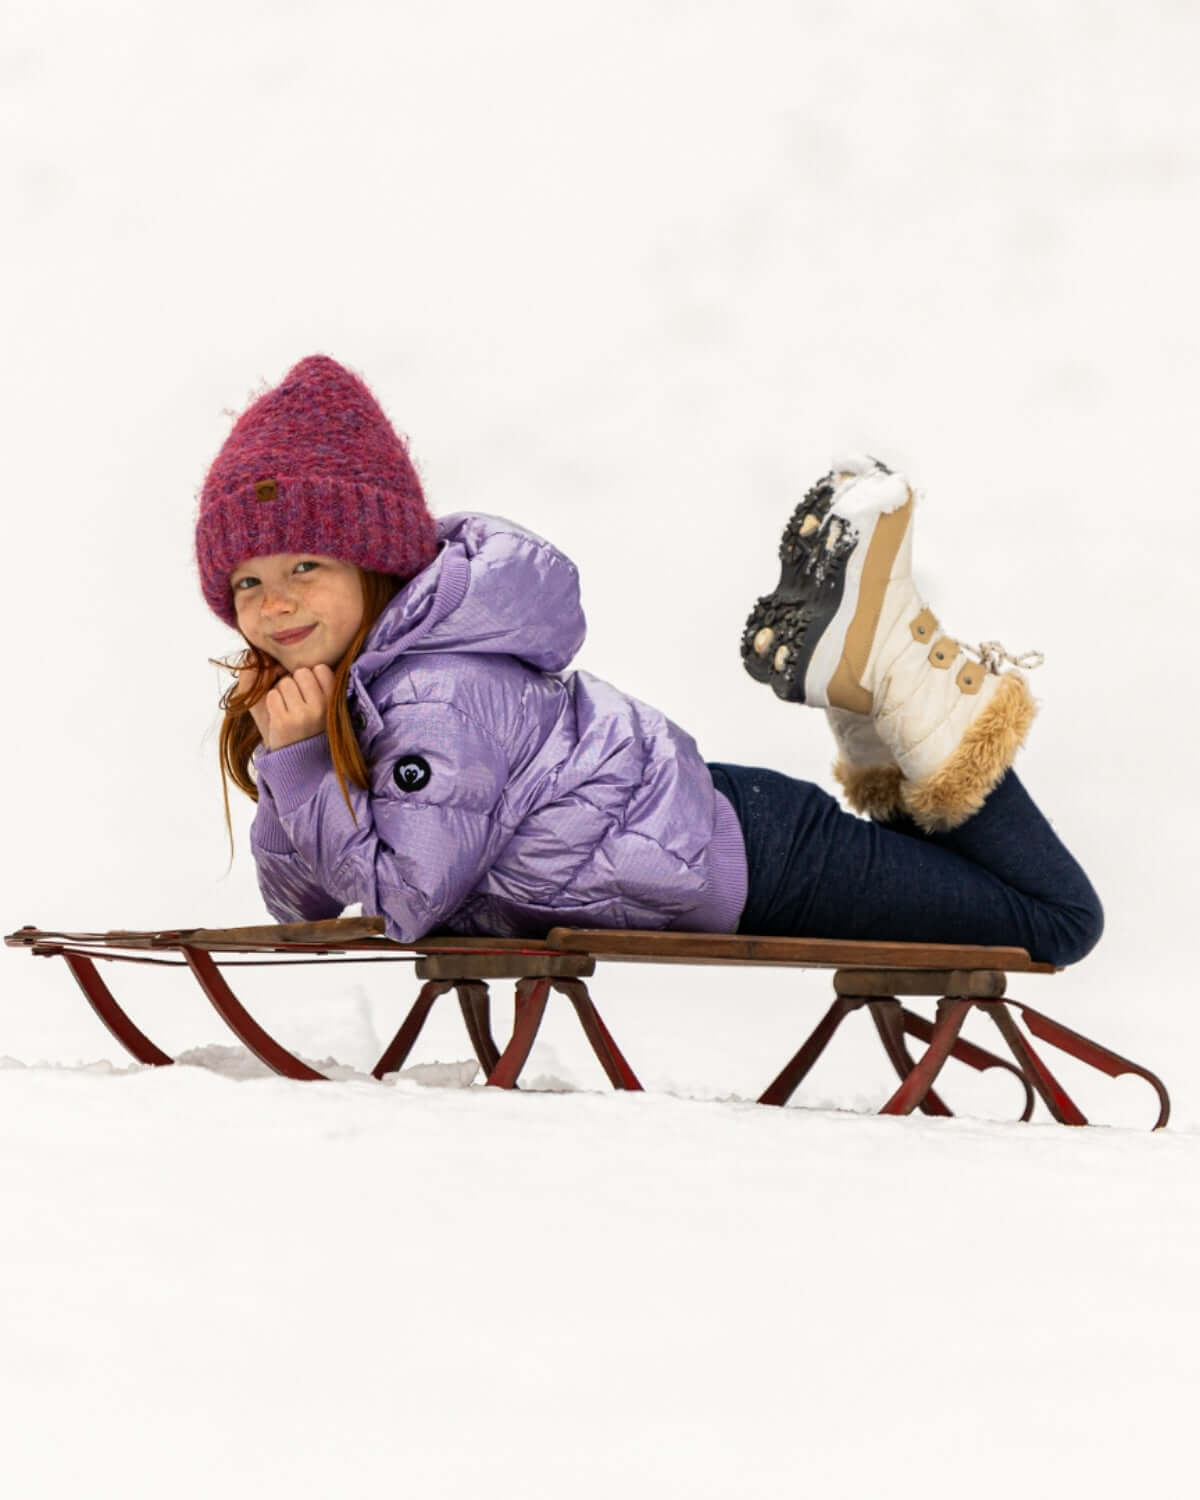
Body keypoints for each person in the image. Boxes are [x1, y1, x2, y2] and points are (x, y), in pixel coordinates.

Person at [197, 355, 1102, 967]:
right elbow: (308, 905)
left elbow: (406, 899)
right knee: (974, 895)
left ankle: (897, 675)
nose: (273, 604)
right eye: (248, 581)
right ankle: (866, 694)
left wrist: (307, 761)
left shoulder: (437, 694)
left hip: (762, 861)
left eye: (305, 567)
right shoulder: (362, 691)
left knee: (1056, 922)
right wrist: (292, 762)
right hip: (727, 837)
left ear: (376, 562)